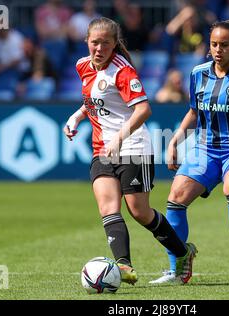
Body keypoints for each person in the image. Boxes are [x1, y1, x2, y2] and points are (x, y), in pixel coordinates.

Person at [62, 17, 197, 285]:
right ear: (86, 41)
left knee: (139, 212)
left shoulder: (122, 71)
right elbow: (92, 101)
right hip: (102, 149)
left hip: (134, 147)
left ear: (114, 44)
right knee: (108, 207)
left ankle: (184, 253)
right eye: (94, 42)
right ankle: (123, 266)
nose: (99, 48)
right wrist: (77, 117)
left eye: (105, 43)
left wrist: (120, 139)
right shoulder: (82, 66)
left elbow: (144, 109)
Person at [149, 19, 229, 284]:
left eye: (224, 45)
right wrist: (174, 141)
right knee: (176, 197)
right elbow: (193, 112)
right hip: (205, 148)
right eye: (214, 44)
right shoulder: (198, 73)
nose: (218, 49)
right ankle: (178, 267)